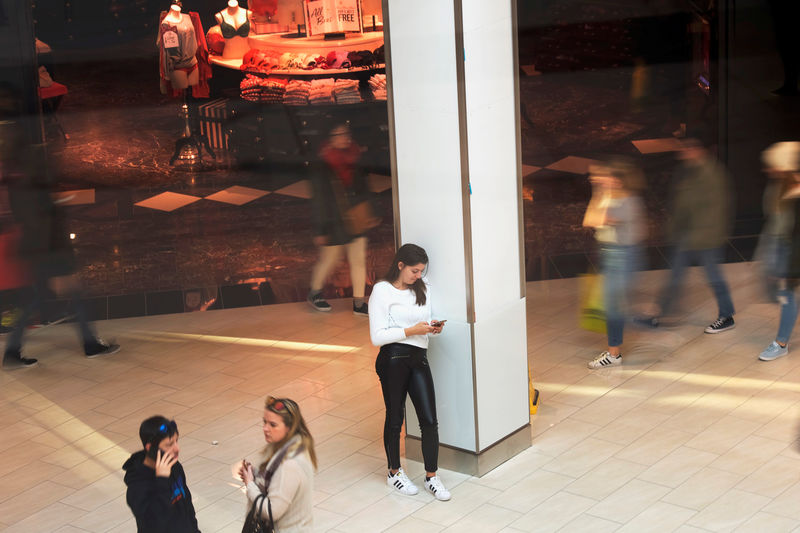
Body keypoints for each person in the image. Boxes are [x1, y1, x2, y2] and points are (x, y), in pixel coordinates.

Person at [0, 88, 118, 370]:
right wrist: (51, 257)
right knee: (64, 295)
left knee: (38, 299)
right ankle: (87, 344)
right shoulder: (27, 168)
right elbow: (38, 214)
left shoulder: (17, 168)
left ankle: (15, 352)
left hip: (42, 244)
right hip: (49, 247)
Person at [368, 243, 451, 501]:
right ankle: (394, 472)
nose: (418, 276)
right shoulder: (381, 291)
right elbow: (377, 337)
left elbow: (421, 322)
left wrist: (431, 329)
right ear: (400, 265)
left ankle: (432, 476)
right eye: (414, 271)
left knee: (429, 419)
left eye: (421, 271)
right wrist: (411, 331)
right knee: (395, 417)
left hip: (418, 357)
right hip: (392, 359)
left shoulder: (423, 288)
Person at [638, 136, 736, 333]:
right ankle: (660, 313)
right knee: (675, 276)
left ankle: (726, 316)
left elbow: (715, 210)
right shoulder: (688, 170)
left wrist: (700, 236)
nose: (682, 152)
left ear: (698, 149)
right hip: (688, 235)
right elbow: (682, 204)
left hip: (705, 238)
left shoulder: (711, 174)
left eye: (686, 148)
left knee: (713, 277)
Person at [583, 160, 646, 368]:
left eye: (604, 177)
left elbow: (596, 219)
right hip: (611, 255)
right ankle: (615, 351)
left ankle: (615, 353)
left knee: (614, 307)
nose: (599, 181)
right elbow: (588, 219)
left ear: (618, 181)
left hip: (623, 256)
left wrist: (598, 193)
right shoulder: (610, 198)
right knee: (613, 305)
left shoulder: (628, 202)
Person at [307, 123, 374, 316]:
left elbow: (365, 189)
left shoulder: (355, 157)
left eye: (345, 133)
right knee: (329, 260)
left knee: (359, 261)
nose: (343, 137)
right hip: (333, 222)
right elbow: (318, 200)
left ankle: (359, 302)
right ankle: (315, 292)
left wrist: (370, 212)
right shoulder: (322, 165)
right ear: (330, 138)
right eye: (338, 134)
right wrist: (320, 230)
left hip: (355, 220)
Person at [237, 396, 316, 533]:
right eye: (264, 422)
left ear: (289, 428)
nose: (265, 429)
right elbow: (276, 482)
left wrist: (250, 484)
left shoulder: (289, 464)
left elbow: (271, 512)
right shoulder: (291, 449)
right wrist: (255, 475)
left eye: (273, 425)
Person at [756, 142, 800, 361]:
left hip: (792, 250)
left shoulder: (794, 192)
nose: (768, 169)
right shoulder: (778, 186)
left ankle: (781, 343)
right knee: (786, 296)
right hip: (782, 248)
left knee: (787, 296)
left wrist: (788, 269)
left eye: (772, 165)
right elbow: (774, 224)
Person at [123, 416, 200, 533]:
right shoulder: (137, 486)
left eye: (176, 441)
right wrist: (162, 480)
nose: (177, 448)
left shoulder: (174, 466)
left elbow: (187, 506)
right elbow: (155, 522)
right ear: (150, 448)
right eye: (169, 445)